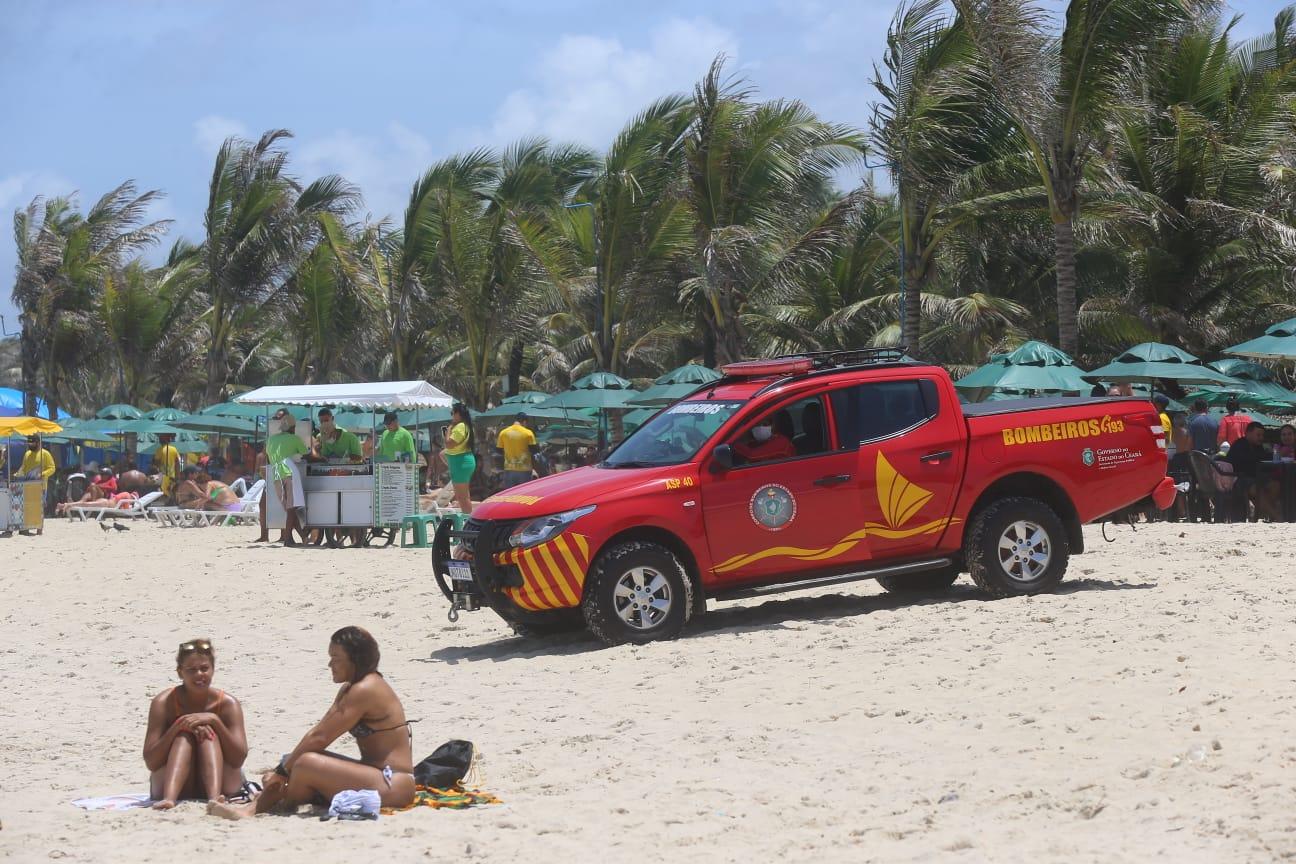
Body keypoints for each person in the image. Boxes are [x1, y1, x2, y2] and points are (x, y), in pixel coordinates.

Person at [208, 627, 416, 819]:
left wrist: (281, 773)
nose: (330, 664)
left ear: (355, 660)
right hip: (374, 775)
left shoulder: (366, 689)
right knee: (296, 761)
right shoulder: (350, 688)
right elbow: (319, 731)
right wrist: (283, 768)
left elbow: (320, 737)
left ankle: (258, 807)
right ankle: (268, 801)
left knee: (305, 763)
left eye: (335, 658)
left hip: (394, 783)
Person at [143, 639, 248, 810]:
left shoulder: (228, 704)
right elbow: (151, 762)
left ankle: (214, 798)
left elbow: (239, 758)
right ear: (179, 672)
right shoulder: (163, 702)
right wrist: (178, 727)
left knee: (209, 735)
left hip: (222, 782)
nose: (199, 674)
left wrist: (215, 721)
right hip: (179, 781)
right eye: (191, 670)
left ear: (213, 669)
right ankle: (169, 798)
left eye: (204, 668)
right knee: (183, 737)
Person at [266, 409, 309, 546]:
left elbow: (268, 457)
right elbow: (305, 454)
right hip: (288, 471)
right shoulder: (294, 439)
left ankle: (302, 536)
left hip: (275, 474)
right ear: (293, 427)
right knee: (292, 508)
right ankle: (288, 539)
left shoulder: (271, 439)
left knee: (288, 507)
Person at [1225, 421, 1271, 521]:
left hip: (1253, 478)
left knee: (1275, 485)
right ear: (1248, 433)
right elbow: (1245, 465)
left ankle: (1266, 514)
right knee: (1257, 490)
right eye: (1258, 435)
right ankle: (1277, 516)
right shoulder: (1239, 445)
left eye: (1262, 435)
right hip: (1236, 479)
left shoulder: (1258, 447)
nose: (1261, 438)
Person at [17, 435, 57, 536]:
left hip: (41, 486)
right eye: (29, 443)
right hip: (27, 485)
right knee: (27, 507)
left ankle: (39, 529)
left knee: (40, 507)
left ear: (38, 443)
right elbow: (23, 467)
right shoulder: (27, 454)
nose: (30, 445)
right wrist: (18, 474)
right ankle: (26, 528)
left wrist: (43, 474)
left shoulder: (45, 454)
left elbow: (52, 468)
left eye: (32, 443)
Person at [440, 403, 476, 513]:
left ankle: (468, 522)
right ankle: (468, 520)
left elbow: (449, 444)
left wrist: (449, 429)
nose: (451, 416)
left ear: (458, 414)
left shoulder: (460, 426)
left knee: (462, 498)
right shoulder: (465, 426)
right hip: (459, 462)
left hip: (461, 463)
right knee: (463, 497)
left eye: (452, 413)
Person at [496, 412, 538, 489]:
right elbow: (534, 451)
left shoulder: (503, 433)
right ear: (524, 422)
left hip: (509, 469)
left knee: (510, 495)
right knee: (524, 494)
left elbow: (498, 450)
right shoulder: (528, 433)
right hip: (524, 470)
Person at [154, 433, 181, 502]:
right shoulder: (174, 449)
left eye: (160, 437)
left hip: (163, 477)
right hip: (172, 477)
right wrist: (177, 477)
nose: (159, 439)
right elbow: (177, 464)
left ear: (164, 439)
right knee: (171, 494)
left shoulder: (159, 450)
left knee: (163, 495)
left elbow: (155, 464)